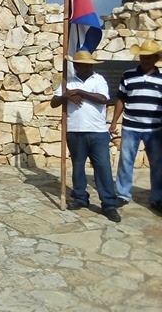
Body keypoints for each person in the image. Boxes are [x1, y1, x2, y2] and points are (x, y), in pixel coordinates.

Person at [51, 50, 121, 222]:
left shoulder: (98, 80)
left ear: (91, 65)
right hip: (75, 130)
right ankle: (81, 198)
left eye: (87, 65)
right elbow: (54, 102)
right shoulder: (68, 81)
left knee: (103, 167)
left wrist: (80, 92)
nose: (83, 67)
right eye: (80, 65)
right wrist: (67, 94)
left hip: (97, 132)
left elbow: (103, 98)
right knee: (78, 166)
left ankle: (109, 204)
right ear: (75, 65)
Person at [109, 39, 162, 213]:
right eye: (142, 56)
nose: (145, 60)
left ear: (155, 58)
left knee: (157, 164)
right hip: (131, 126)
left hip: (155, 129)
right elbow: (121, 99)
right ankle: (123, 194)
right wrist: (114, 121)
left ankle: (157, 197)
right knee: (126, 161)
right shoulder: (128, 75)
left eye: (149, 57)